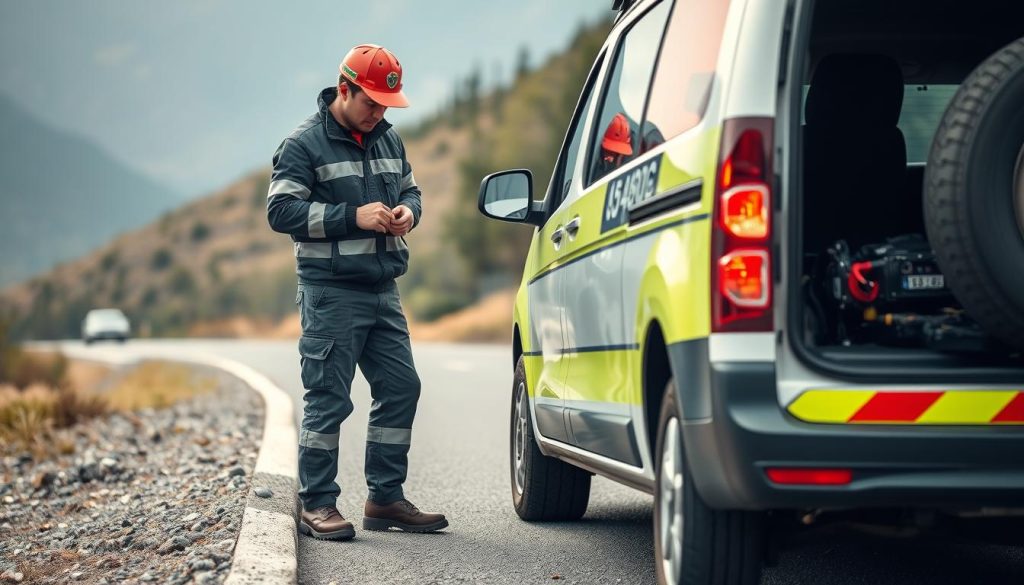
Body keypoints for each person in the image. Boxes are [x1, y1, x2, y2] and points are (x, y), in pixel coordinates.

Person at [266, 43, 447, 540]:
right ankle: (317, 504)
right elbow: (280, 213)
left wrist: (410, 212)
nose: (379, 112)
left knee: (401, 386)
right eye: (370, 102)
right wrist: (354, 218)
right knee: (329, 398)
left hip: (383, 287)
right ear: (343, 90)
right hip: (330, 292)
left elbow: (411, 190)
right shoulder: (302, 144)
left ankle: (385, 499)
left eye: (386, 104)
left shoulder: (388, 139)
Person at [594, 112, 634, 180]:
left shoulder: (626, 172)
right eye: (609, 152)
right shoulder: (593, 170)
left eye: (616, 154)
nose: (611, 159)